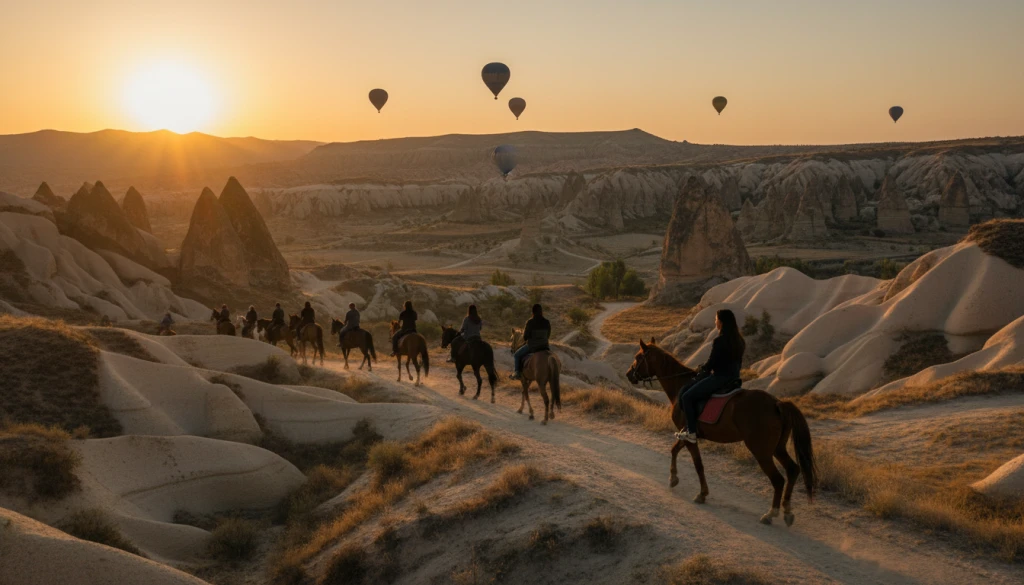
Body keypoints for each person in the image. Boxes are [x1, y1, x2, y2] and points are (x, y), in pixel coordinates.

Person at [674, 309, 745, 444]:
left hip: (720, 378)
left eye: (716, 319)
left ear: (722, 322)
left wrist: (703, 369)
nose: (715, 322)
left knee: (686, 397)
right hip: (734, 379)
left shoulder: (720, 341)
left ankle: (691, 432)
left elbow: (712, 363)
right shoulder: (740, 341)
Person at [511, 304, 550, 380]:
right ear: (541, 312)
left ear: (533, 312)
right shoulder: (547, 322)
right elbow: (548, 335)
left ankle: (517, 373)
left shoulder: (530, 322)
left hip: (532, 346)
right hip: (545, 346)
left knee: (516, 355)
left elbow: (525, 337)